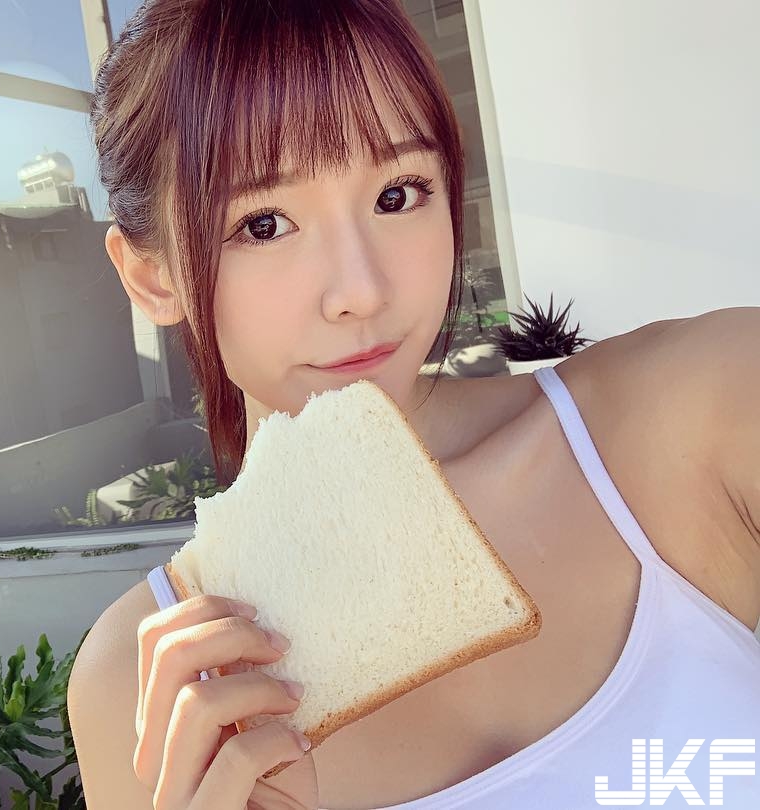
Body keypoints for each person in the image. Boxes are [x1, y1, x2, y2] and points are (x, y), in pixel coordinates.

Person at [66, 1, 760, 808]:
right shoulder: (141, 685)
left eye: (398, 194)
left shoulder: (699, 410)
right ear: (151, 275)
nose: (361, 290)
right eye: (264, 223)